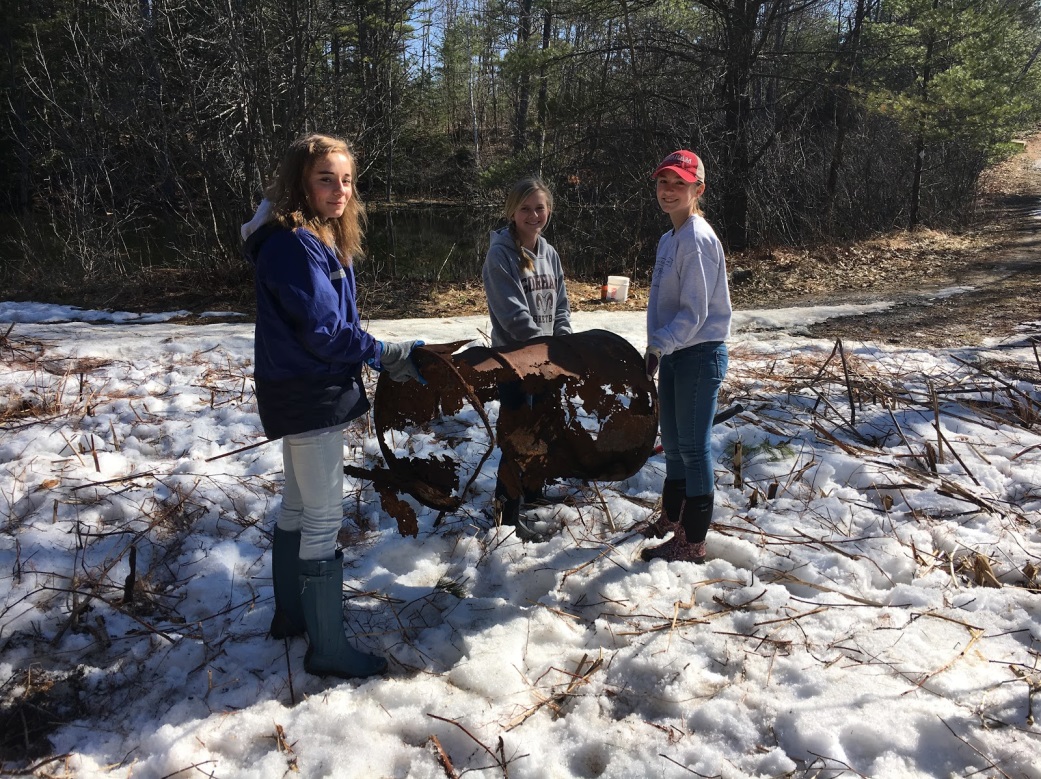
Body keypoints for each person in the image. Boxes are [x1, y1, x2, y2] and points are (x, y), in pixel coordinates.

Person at [241, 133, 424, 679]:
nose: (339, 190)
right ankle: (327, 648)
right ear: (301, 181)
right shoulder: (294, 245)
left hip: (301, 391)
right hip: (309, 393)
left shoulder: (314, 238)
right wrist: (382, 353)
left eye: (346, 180)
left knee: (297, 509)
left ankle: (292, 617)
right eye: (326, 179)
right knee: (322, 518)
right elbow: (325, 331)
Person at [641, 150, 732, 564]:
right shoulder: (668, 238)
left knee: (694, 450)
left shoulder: (696, 238)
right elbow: (662, 303)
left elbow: (694, 312)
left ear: (698, 189)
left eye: (680, 183)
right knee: (674, 447)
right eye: (664, 182)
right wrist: (657, 347)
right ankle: (672, 520)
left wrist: (661, 343)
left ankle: (692, 542)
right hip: (676, 352)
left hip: (698, 354)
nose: (669, 190)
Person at [481, 177, 572, 536]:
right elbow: (513, 315)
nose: (534, 215)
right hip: (514, 362)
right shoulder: (500, 255)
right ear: (512, 212)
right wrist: (545, 348)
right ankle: (505, 514)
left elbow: (561, 306)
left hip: (548, 360)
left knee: (543, 428)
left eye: (540, 208)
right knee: (517, 435)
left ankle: (533, 494)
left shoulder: (548, 253)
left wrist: (562, 346)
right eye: (525, 209)